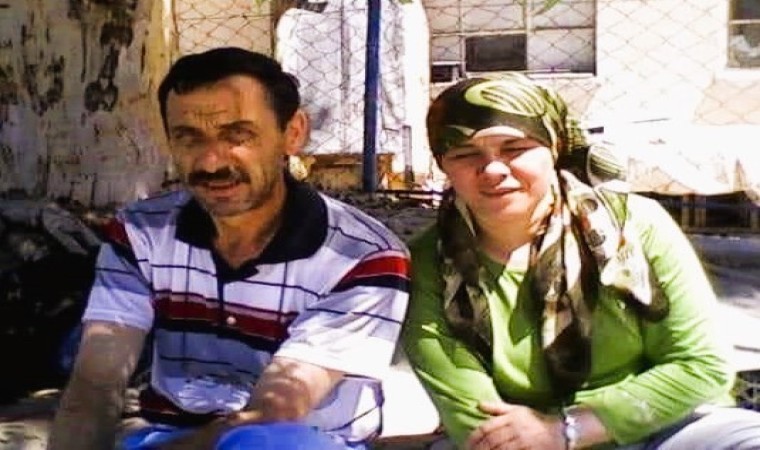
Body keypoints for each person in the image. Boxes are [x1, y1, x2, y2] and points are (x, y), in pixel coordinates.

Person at [47, 47, 410, 450]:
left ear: (293, 133)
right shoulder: (141, 232)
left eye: (238, 135)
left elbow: (274, 411)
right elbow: (96, 384)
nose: (211, 162)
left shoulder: (363, 256)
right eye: (188, 138)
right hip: (169, 437)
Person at [401, 74, 760, 450]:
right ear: (443, 164)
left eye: (515, 148)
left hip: (663, 427)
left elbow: (701, 366)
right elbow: (473, 415)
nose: (492, 170)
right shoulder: (428, 262)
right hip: (518, 441)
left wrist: (567, 430)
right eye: (465, 154)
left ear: (553, 148)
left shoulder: (634, 226)